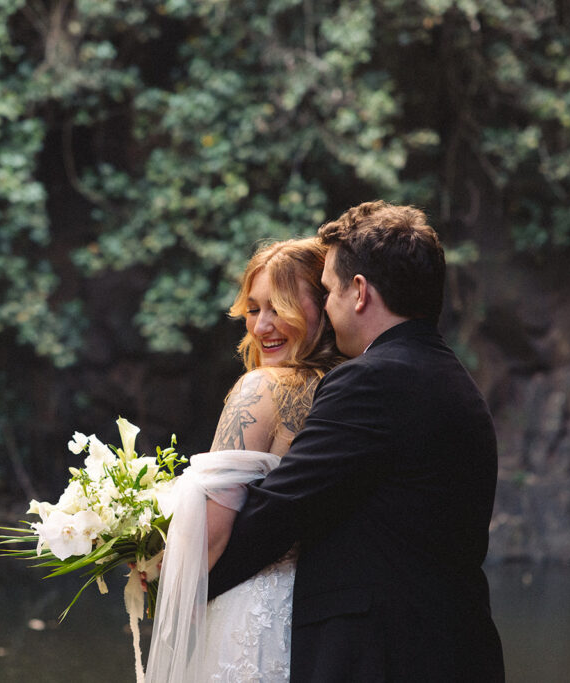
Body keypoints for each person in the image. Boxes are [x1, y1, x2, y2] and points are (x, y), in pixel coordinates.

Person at [207, 201, 505, 681]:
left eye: (327, 291)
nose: (326, 307)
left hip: (385, 658)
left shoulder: (372, 380)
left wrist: (184, 581)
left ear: (360, 292)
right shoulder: (454, 380)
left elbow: (284, 507)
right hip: (457, 650)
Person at [145, 237, 345, 681]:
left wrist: (155, 568)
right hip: (317, 619)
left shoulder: (260, 388)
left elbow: (211, 533)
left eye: (282, 307)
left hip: (249, 608)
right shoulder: (350, 391)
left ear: (324, 307)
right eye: (254, 310)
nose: (262, 327)